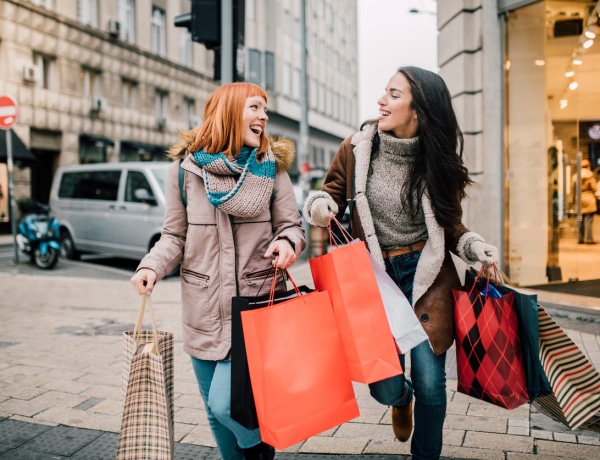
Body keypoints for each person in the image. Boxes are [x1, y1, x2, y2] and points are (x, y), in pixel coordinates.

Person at [303, 66, 498, 460]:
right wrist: (321, 205)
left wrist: (476, 247)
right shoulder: (357, 148)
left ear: (419, 109)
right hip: (373, 276)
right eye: (385, 92)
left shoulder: (438, 161)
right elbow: (329, 194)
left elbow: (451, 225)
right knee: (383, 383)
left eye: (394, 94)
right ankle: (399, 399)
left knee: (430, 381)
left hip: (427, 277)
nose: (381, 101)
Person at [131, 82, 306, 460]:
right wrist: (151, 267)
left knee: (227, 406)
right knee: (214, 411)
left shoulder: (272, 169)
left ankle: (260, 446)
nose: (264, 117)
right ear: (229, 112)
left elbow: (291, 226)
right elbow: (173, 235)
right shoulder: (185, 171)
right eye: (256, 107)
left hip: (256, 308)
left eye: (265, 109)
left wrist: (288, 244)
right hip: (203, 310)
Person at [571, 159, 597, 243]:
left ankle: (580, 239)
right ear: (588, 166)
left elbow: (573, 189)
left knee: (579, 220)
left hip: (579, 199)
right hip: (588, 198)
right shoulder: (590, 175)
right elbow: (594, 188)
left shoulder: (575, 176)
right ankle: (589, 239)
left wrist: (572, 200)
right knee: (588, 220)